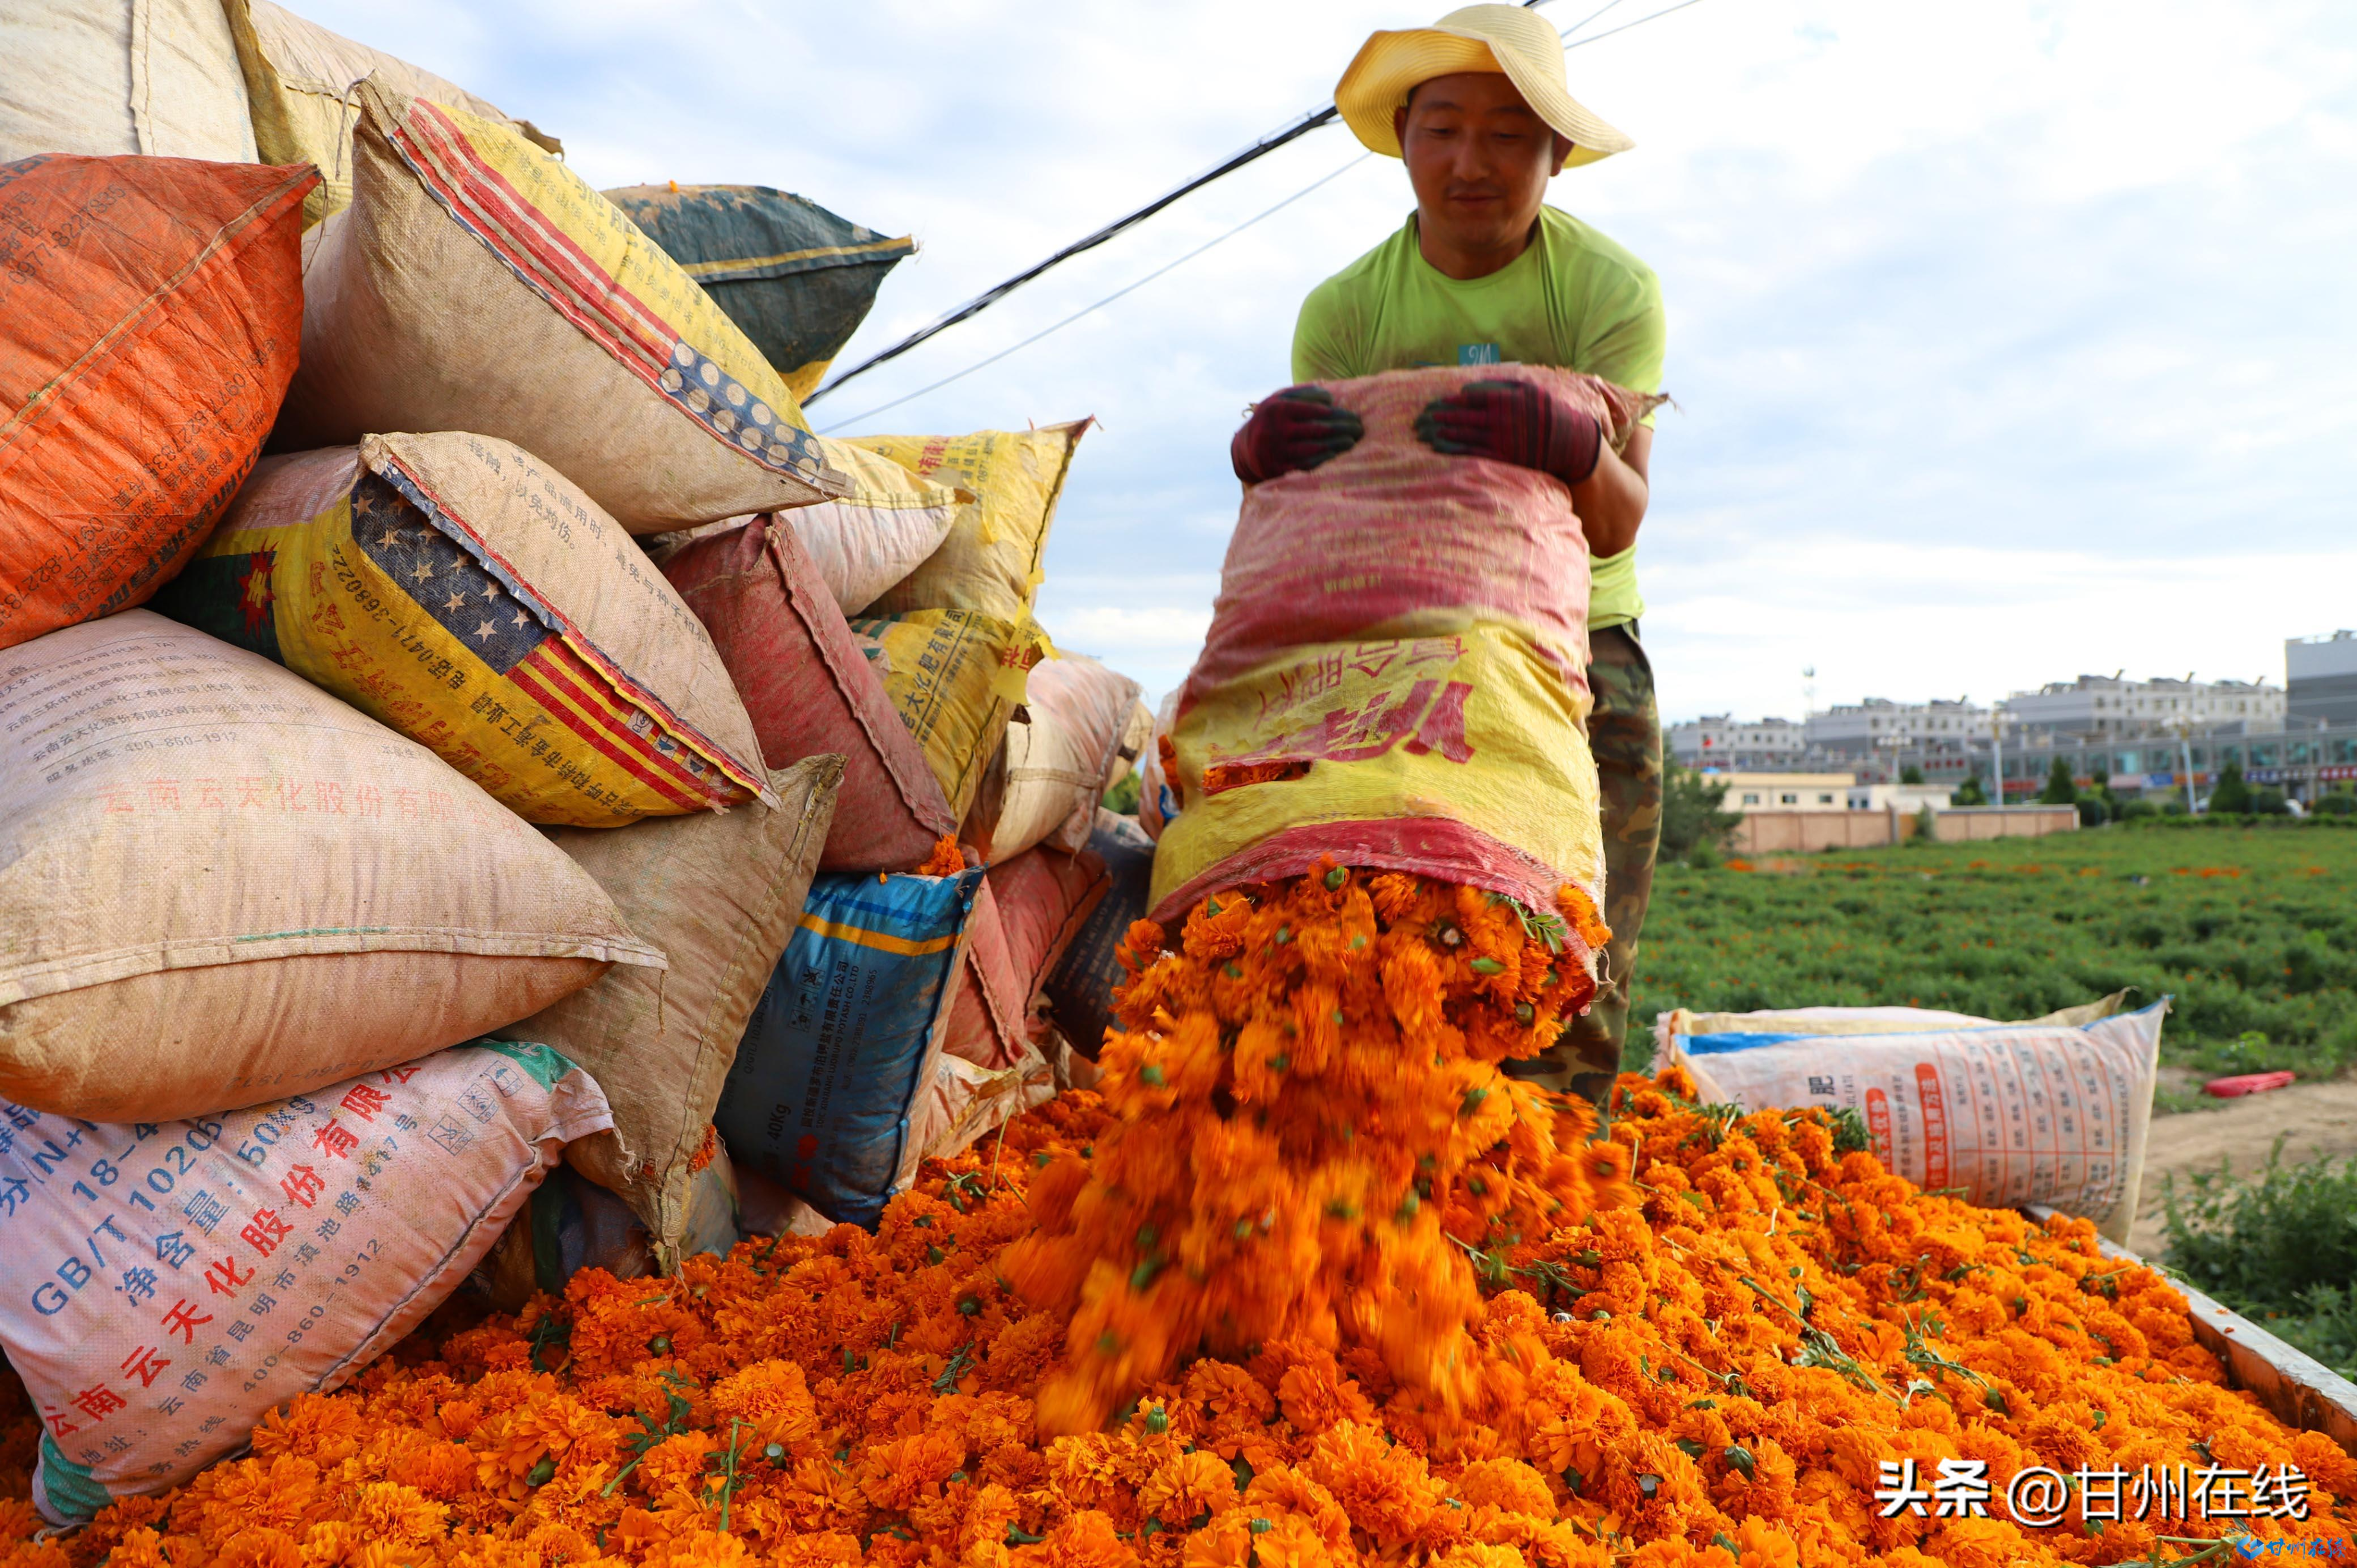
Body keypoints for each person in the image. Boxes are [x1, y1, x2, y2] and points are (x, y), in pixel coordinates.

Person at [1228, 4, 1665, 1109]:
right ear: (1405, 139)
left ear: (1556, 154)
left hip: (1577, 651)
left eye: (1510, 133)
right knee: (1378, 934)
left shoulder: (1610, 293)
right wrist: (1266, 464)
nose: (1472, 162)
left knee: (1569, 952)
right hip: (1393, 656)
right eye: (1443, 128)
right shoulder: (1344, 312)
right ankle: (1380, 1189)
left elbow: (1616, 522)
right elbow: (1316, 542)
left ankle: (1549, 1206)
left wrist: (1569, 442)